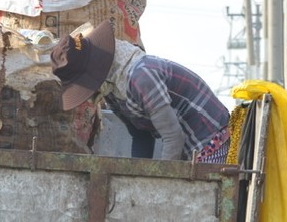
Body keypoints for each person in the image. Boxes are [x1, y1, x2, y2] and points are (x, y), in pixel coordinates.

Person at [50, 20, 230, 163]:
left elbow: (173, 136)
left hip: (210, 138)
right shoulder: (113, 90)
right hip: (185, 144)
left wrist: (162, 183)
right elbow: (141, 135)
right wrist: (136, 177)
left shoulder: (141, 77)